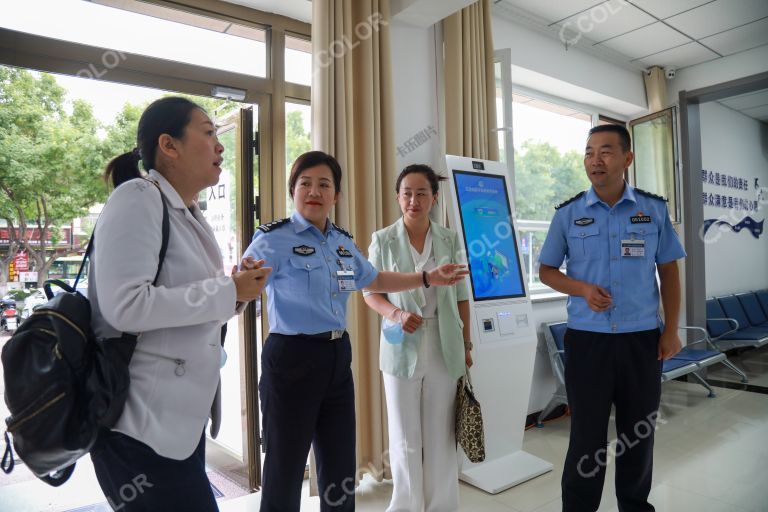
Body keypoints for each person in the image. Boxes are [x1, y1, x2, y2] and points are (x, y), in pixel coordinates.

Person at [241, 151, 468, 512]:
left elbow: (374, 280)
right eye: (305, 184)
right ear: (293, 191)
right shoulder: (273, 239)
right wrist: (240, 285)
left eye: (324, 184)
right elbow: (244, 287)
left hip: (336, 357)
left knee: (339, 465)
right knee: (285, 464)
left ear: (336, 195)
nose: (314, 191)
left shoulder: (342, 243)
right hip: (292, 357)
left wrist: (426, 277)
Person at [88, 97, 271, 511]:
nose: (220, 145)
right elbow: (126, 306)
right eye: (208, 133)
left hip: (177, 425)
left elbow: (191, 305)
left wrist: (237, 292)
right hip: (137, 428)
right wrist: (228, 291)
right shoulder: (137, 197)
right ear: (168, 146)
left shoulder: (185, 210)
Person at [538, 124, 686, 512]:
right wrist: (583, 289)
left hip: (642, 340)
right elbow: (547, 271)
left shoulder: (653, 209)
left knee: (638, 434)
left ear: (627, 159)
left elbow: (669, 271)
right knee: (586, 437)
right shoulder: (568, 214)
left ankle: (635, 506)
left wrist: (671, 329)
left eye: (605, 151)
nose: (595, 160)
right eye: (589, 152)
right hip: (588, 341)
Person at [363, 164, 472, 512]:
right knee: (404, 436)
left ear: (434, 198)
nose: (414, 200)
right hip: (400, 343)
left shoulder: (449, 239)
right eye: (407, 193)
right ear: (398, 197)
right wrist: (395, 314)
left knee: (441, 434)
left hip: (444, 343)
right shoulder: (383, 239)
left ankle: (441, 506)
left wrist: (467, 344)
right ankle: (406, 506)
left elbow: (460, 296)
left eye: (421, 193)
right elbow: (370, 290)